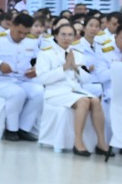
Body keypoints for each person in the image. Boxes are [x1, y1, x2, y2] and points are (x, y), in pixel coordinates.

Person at [37, 18, 110, 156]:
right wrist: (64, 67)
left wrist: (75, 67)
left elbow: (87, 79)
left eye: (70, 35)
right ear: (56, 35)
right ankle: (78, 142)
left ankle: (101, 142)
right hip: (55, 92)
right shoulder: (46, 53)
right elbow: (42, 79)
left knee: (95, 101)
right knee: (84, 101)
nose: (67, 38)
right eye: (63, 34)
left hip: (75, 90)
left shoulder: (77, 54)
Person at [0, 13, 43, 140]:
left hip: (23, 79)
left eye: (26, 33)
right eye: (19, 32)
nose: (22, 36)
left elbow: (37, 60)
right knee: (17, 93)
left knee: (39, 92)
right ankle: (11, 129)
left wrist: (36, 69)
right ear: (12, 26)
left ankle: (24, 128)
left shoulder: (31, 40)